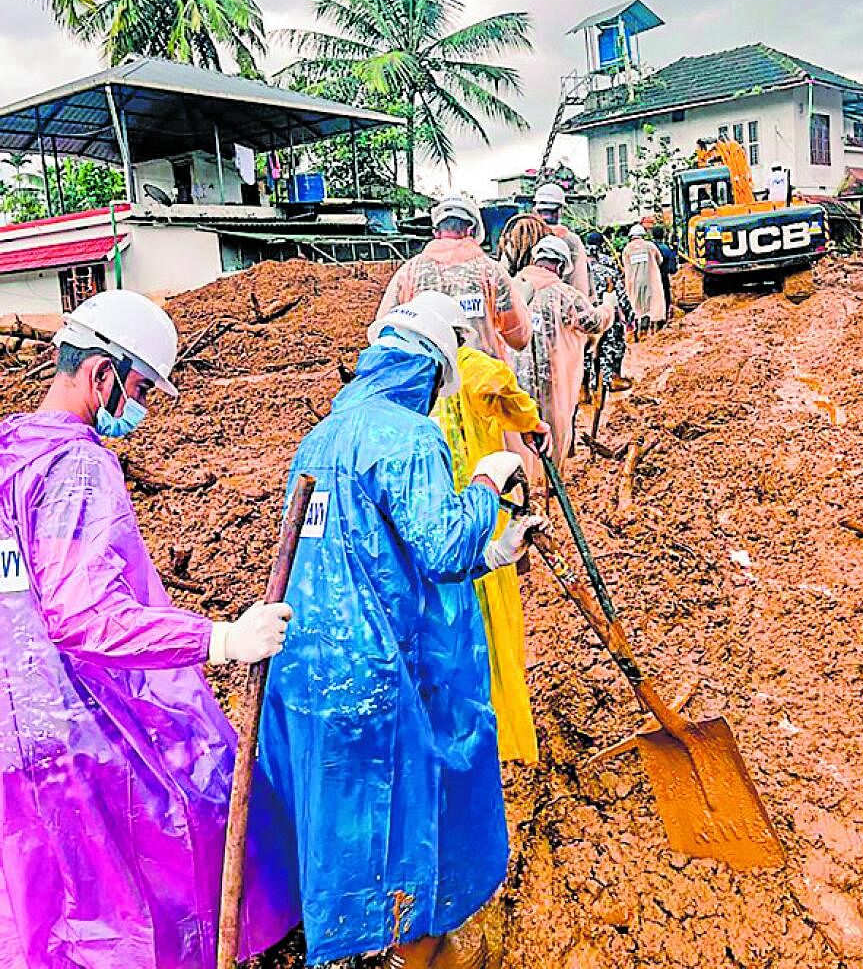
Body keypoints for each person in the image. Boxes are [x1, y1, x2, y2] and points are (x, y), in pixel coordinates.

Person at [0, 289, 298, 969]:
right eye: (138, 387)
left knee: (43, 897)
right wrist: (218, 639)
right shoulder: (75, 464)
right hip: (81, 729)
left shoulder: (9, 449)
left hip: (16, 728)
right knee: (171, 844)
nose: (139, 406)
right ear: (101, 373)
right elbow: (83, 615)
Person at [257, 292, 541, 969]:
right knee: (406, 814)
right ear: (431, 374)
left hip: (306, 665)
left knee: (339, 817)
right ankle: (416, 949)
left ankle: (345, 943)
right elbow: (440, 548)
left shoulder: (322, 436)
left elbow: (379, 551)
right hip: (380, 672)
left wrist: (494, 553)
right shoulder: (410, 436)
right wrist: (483, 483)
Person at [433, 310, 552, 766]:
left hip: (436, 514)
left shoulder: (414, 380)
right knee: (493, 617)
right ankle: (501, 731)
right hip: (481, 501)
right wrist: (531, 423)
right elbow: (511, 399)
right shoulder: (476, 366)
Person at [377, 194, 531, 363]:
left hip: (431, 379)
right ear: (471, 230)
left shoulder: (409, 273)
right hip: (482, 380)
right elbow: (518, 338)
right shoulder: (493, 272)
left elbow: (385, 329)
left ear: (436, 232)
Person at [513, 237, 613, 479]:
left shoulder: (510, 287)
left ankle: (523, 485)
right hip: (551, 381)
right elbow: (593, 322)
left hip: (513, 379)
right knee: (552, 433)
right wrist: (608, 306)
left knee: (518, 436)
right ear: (560, 266)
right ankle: (550, 486)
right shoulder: (564, 294)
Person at [585, 235, 635, 393]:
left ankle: (587, 384)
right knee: (613, 345)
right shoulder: (607, 268)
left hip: (585, 317)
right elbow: (621, 297)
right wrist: (630, 315)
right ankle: (609, 378)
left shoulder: (576, 271)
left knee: (586, 350)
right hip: (607, 315)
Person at [531, 182, 593, 298]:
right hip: (563, 306)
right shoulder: (571, 240)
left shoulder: (524, 236)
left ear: (536, 210)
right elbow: (580, 284)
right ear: (560, 210)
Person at [622, 223, 667, 336]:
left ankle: (640, 326)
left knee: (638, 304)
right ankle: (654, 328)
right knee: (654, 302)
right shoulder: (650, 246)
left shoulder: (627, 249)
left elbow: (625, 266)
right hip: (651, 280)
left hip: (634, 282)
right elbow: (659, 260)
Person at [651, 223, 679, 321]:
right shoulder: (667, 249)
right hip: (663, 278)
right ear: (663, 235)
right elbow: (673, 269)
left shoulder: (648, 248)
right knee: (665, 299)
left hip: (650, 280)